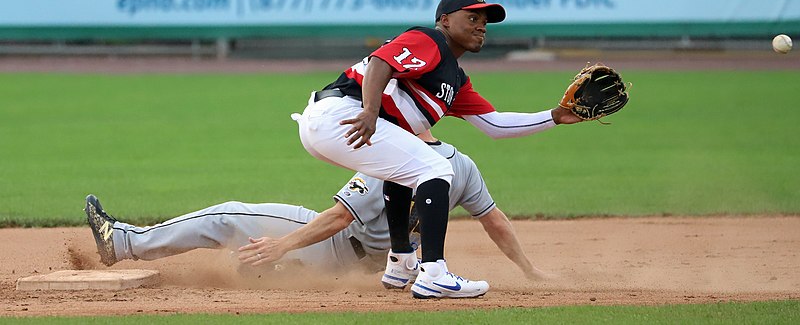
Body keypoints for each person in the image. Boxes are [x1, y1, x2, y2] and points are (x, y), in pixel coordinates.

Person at [293, 0, 582, 299]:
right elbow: (380, 62)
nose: (480, 26)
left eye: (484, 22)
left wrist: (556, 116)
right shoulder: (429, 40)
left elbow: (495, 125)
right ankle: (434, 273)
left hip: (336, 124)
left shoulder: (455, 79)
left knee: (408, 169)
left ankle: (401, 262)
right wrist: (370, 112)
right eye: (472, 18)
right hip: (343, 117)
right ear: (445, 20)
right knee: (436, 168)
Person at [84, 131, 550, 284]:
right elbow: (496, 222)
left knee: (227, 215)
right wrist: (532, 272)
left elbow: (337, 218)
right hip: (363, 266)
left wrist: (281, 245)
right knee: (254, 257)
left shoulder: (396, 160)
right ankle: (270, 269)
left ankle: (124, 243)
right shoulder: (462, 166)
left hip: (334, 247)